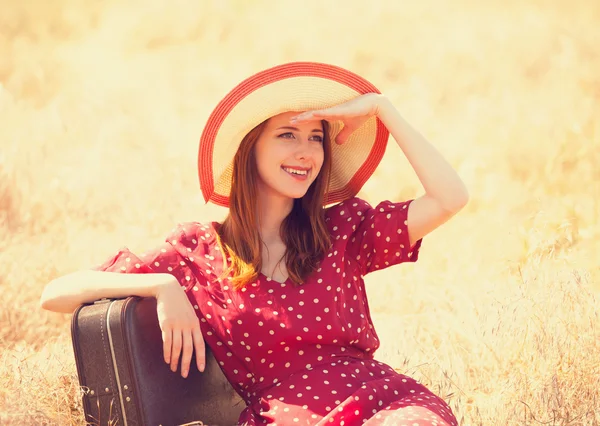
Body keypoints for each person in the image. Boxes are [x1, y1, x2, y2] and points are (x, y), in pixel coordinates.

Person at [40, 62, 468, 425]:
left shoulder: (342, 229)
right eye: (287, 135)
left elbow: (451, 198)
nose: (306, 152)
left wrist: (383, 109)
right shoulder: (196, 253)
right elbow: (54, 294)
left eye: (316, 138)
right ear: (251, 148)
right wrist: (160, 286)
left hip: (387, 404)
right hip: (288, 416)